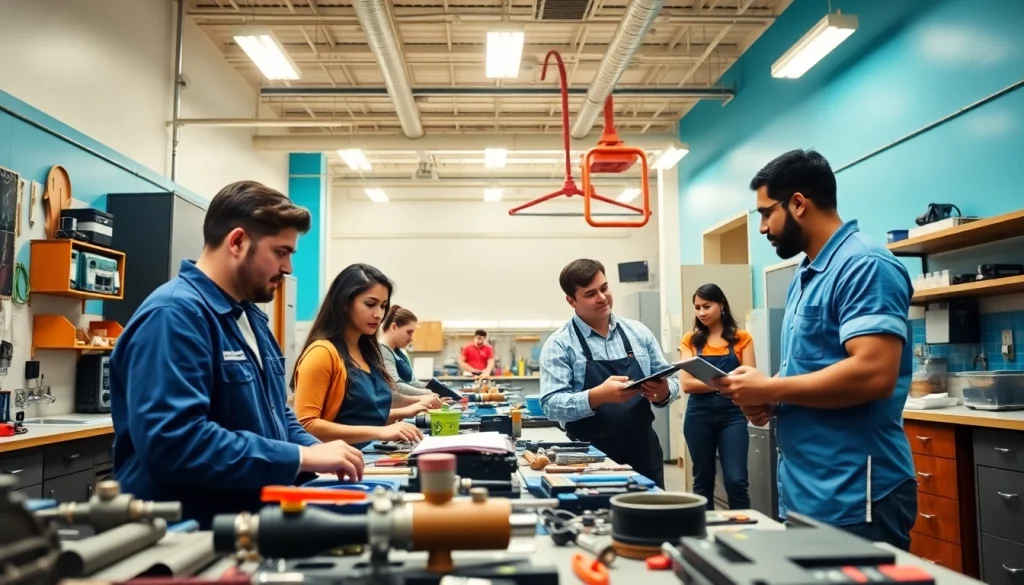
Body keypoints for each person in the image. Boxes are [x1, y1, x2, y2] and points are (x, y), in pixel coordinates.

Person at [109, 181, 364, 529]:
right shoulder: (174, 316)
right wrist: (300, 456)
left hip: (247, 524)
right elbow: (175, 442)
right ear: (238, 242)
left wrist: (323, 455)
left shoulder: (250, 317)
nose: (288, 268)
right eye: (280, 252)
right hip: (188, 534)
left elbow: (278, 414)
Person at [713, 149, 916, 550]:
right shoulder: (806, 276)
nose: (762, 228)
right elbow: (814, 372)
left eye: (765, 213)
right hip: (807, 491)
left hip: (857, 492)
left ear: (799, 204)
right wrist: (769, 397)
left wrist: (770, 389)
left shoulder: (865, 264)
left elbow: (874, 374)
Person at [539, 259, 679, 488]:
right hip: (587, 456)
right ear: (571, 301)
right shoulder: (560, 344)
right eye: (591, 293)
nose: (602, 297)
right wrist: (598, 395)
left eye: (604, 288)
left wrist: (664, 392)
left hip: (643, 450)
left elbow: (672, 381)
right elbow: (550, 404)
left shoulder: (639, 333)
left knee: (652, 519)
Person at [292, 264, 431, 448]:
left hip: (364, 457)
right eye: (370, 304)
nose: (379, 314)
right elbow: (306, 425)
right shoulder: (322, 353)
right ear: (344, 303)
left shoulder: (369, 352)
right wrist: (381, 431)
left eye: (383, 306)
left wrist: (404, 412)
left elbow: (359, 418)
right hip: (333, 465)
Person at [680, 283, 755, 510]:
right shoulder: (690, 340)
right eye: (697, 307)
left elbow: (749, 380)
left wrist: (710, 382)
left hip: (733, 416)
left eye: (707, 306)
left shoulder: (742, 339)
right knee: (702, 481)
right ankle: (704, 536)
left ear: (721, 305)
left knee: (736, 480)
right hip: (698, 416)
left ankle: (745, 532)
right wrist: (724, 385)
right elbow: (687, 384)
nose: (701, 312)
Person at [379, 305, 437, 398]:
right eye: (409, 332)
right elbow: (395, 386)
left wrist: (433, 386)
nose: (411, 338)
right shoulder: (382, 350)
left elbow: (411, 383)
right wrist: (428, 394)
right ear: (394, 327)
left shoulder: (399, 353)